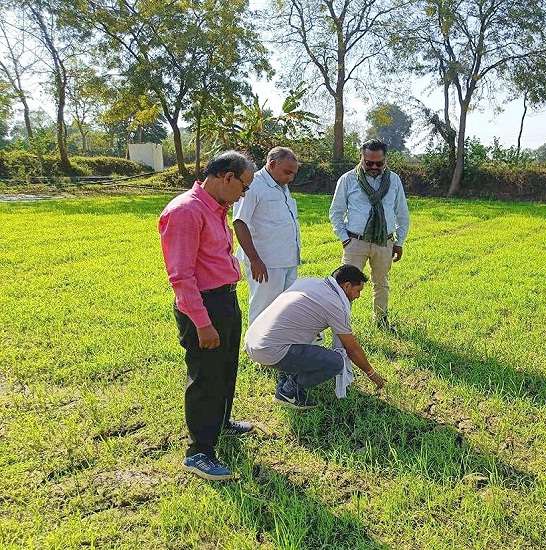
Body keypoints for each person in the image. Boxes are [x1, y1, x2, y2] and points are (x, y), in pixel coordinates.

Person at [159, 151, 257, 481]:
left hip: (224, 300)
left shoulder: (216, 209)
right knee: (206, 377)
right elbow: (181, 276)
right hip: (204, 306)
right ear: (226, 177)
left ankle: (221, 422)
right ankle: (199, 451)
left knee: (226, 367)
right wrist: (202, 323)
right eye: (244, 186)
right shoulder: (186, 211)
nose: (244, 194)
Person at [244, 265, 387, 408]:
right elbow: (352, 348)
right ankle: (289, 392)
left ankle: (287, 374)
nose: (358, 296)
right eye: (358, 291)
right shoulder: (336, 305)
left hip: (252, 341)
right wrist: (371, 373)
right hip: (269, 350)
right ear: (347, 286)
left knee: (317, 337)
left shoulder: (311, 282)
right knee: (336, 362)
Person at [329, 139, 410, 332]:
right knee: (346, 286)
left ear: (385, 160)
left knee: (381, 283)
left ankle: (381, 322)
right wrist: (344, 238)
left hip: (384, 242)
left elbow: (402, 214)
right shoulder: (348, 179)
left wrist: (399, 242)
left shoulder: (395, 180)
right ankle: (342, 325)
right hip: (355, 242)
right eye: (369, 162)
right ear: (361, 158)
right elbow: (336, 212)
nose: (374, 167)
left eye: (379, 163)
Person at [233, 147, 302, 325]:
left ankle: (277, 348)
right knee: (263, 310)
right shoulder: (253, 185)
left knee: (286, 310)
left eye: (293, 173)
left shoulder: (282, 186)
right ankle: (256, 350)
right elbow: (240, 222)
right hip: (265, 263)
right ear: (271, 164)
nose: (290, 178)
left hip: (288, 260)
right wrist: (255, 260)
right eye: (287, 172)